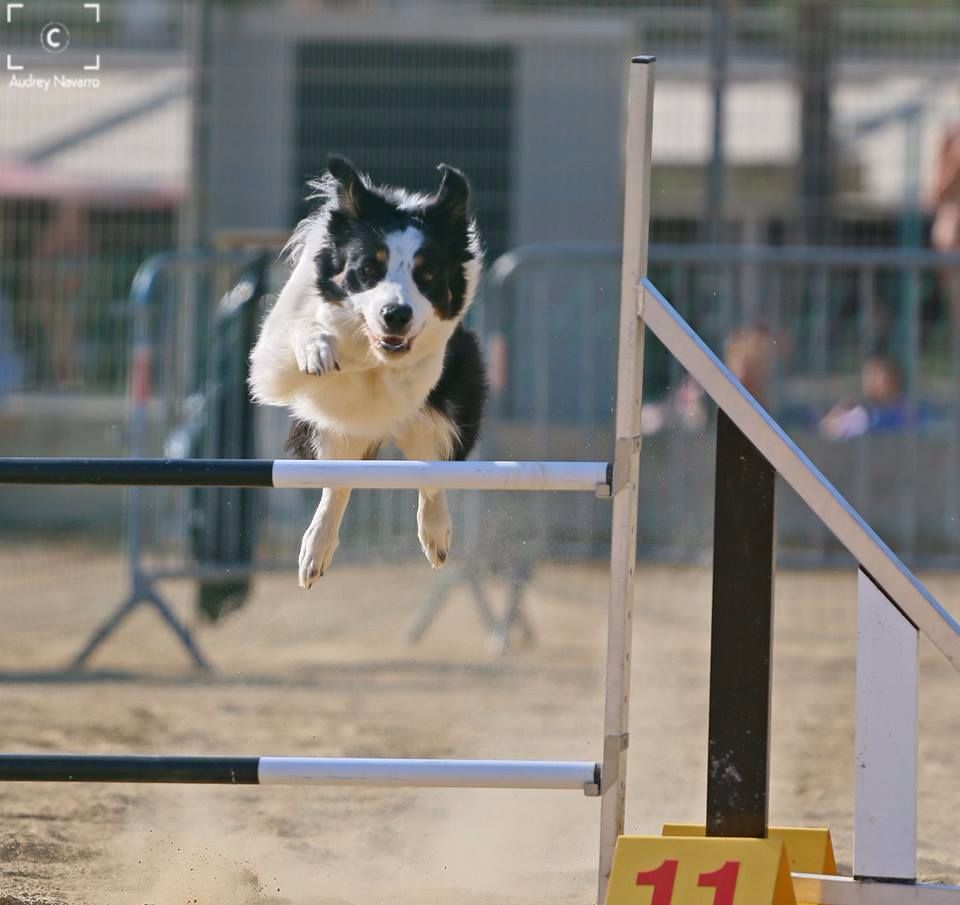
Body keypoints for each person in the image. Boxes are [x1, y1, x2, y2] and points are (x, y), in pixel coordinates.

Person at [820, 355, 910, 440]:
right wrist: (839, 410)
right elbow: (827, 431)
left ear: (891, 378)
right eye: (867, 375)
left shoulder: (905, 409)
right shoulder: (861, 413)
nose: (870, 381)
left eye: (876, 375)